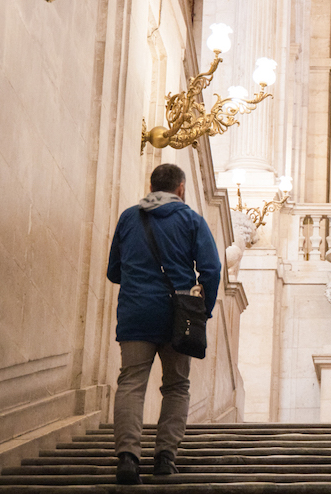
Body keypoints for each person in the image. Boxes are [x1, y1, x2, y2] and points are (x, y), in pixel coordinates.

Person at [106, 164, 221, 485]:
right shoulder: (191, 220)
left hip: (135, 314)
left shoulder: (129, 217)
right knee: (176, 386)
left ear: (152, 185)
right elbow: (211, 270)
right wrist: (203, 311)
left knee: (130, 383)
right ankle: (164, 456)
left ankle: (128, 457)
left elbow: (113, 271)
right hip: (178, 316)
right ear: (181, 189)